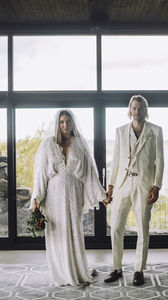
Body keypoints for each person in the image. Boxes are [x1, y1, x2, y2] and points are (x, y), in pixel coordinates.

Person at [30, 109, 106, 286]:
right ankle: (61, 273)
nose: (65, 125)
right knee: (57, 235)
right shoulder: (48, 144)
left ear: (73, 123)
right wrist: (36, 197)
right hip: (53, 197)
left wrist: (101, 194)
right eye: (62, 122)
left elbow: (90, 172)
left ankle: (77, 271)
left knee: (74, 232)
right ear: (57, 124)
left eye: (68, 121)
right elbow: (41, 174)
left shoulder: (80, 143)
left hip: (74, 194)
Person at [104, 95, 164, 285]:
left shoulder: (155, 131)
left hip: (144, 185)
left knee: (143, 230)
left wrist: (157, 186)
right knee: (115, 228)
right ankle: (117, 268)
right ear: (129, 110)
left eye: (140, 108)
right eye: (134, 108)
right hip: (122, 184)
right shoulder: (120, 131)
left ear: (146, 110)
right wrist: (111, 186)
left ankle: (139, 270)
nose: (136, 111)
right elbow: (115, 161)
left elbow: (160, 161)